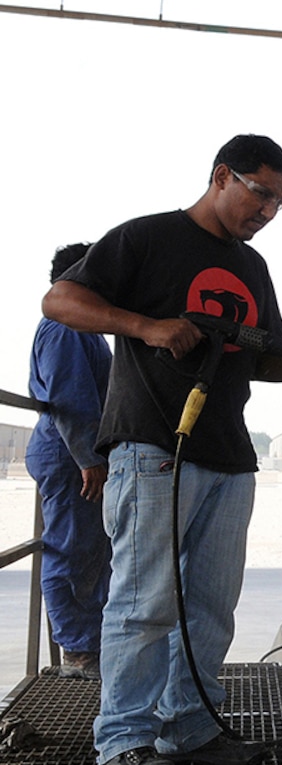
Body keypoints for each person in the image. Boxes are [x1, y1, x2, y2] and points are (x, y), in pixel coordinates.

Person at [42, 134, 282, 765]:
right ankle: (122, 743)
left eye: (280, 202)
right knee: (144, 600)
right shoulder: (146, 238)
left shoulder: (251, 268)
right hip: (153, 444)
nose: (269, 211)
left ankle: (188, 723)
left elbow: (259, 354)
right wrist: (146, 326)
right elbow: (61, 303)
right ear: (222, 176)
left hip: (228, 454)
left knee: (211, 604)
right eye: (261, 193)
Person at [26, 243, 114, 680]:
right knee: (70, 549)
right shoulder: (65, 327)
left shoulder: (86, 328)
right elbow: (69, 398)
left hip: (79, 455)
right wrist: (88, 459)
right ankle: (78, 652)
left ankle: (90, 642)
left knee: (92, 552)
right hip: (69, 456)